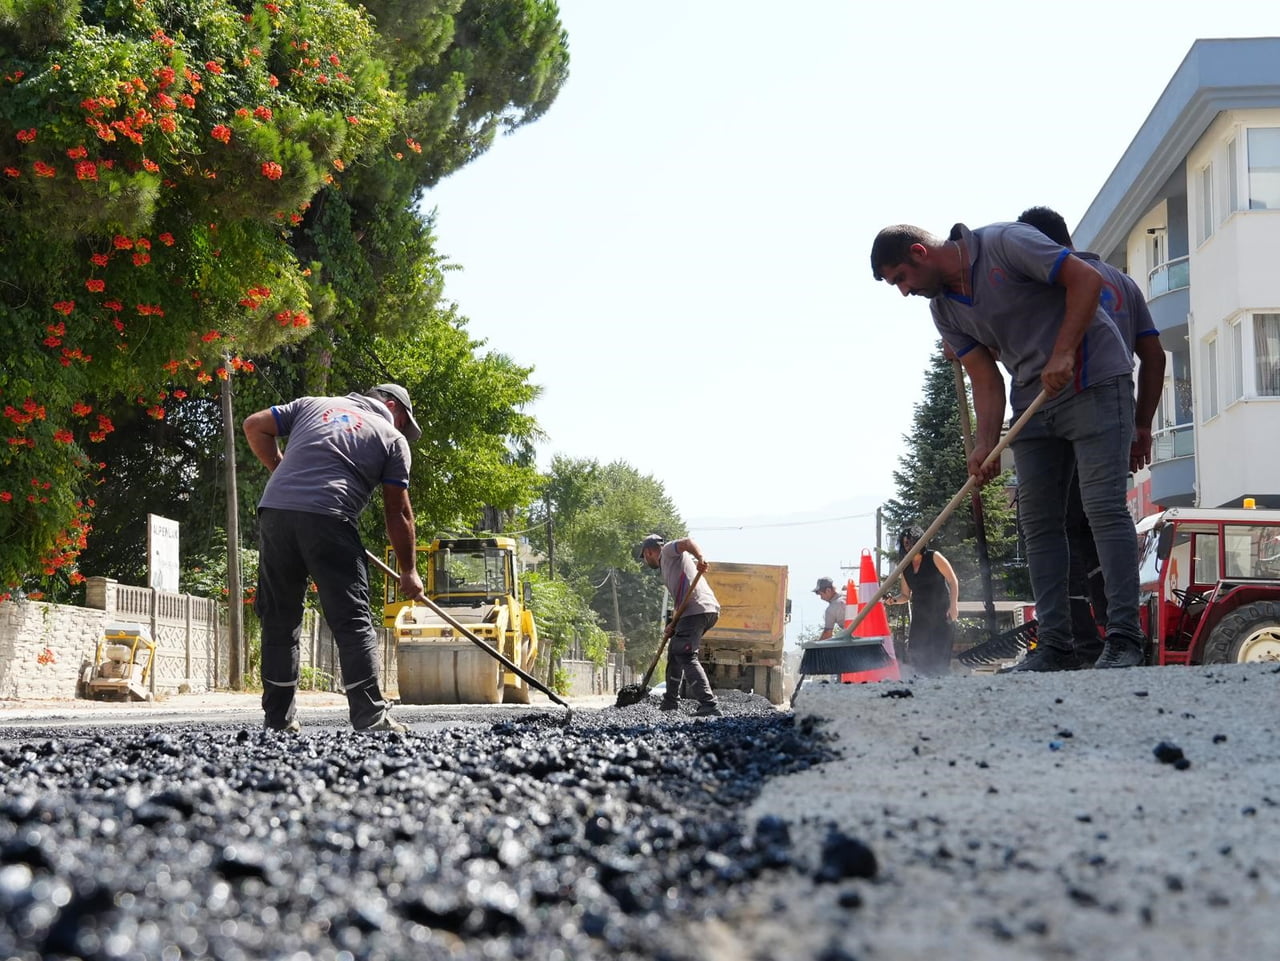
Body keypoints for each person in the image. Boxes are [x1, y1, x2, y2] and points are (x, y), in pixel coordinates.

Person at [870, 221, 1145, 670]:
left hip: (1094, 380)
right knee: (1037, 522)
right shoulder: (944, 310)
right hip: (1034, 402)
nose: (903, 291)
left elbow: (1086, 279)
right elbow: (984, 376)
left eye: (900, 278)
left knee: (1102, 509)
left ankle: (1124, 639)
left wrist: (1064, 352)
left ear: (920, 252)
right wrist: (985, 444)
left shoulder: (1005, 244)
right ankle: (1055, 645)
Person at [1014, 205, 1167, 669]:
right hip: (1112, 416)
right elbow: (1154, 357)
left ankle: (1083, 644)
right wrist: (1141, 426)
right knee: (1103, 524)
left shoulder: (1048, 281)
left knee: (1067, 532)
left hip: (1071, 413)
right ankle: (1115, 638)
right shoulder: (1122, 283)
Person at [243, 384, 427, 733]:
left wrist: (280, 469)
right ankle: (370, 716)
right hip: (331, 516)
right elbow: (398, 512)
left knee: (280, 617)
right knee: (352, 619)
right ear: (391, 406)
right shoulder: (391, 437)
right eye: (404, 420)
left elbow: (254, 424)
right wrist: (409, 571)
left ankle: (278, 720)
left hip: (276, 512)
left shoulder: (311, 404)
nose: (403, 428)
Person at [636, 534, 722, 717]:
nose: (645, 562)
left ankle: (709, 704)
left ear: (648, 552)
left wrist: (700, 558)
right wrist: (673, 625)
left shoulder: (667, 551)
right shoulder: (667, 569)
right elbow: (680, 599)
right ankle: (670, 702)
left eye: (644, 557)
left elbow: (687, 542)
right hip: (695, 611)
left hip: (698, 609)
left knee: (685, 652)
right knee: (675, 652)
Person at [885, 526, 960, 676]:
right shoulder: (905, 567)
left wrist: (953, 606)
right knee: (917, 652)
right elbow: (905, 595)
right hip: (920, 616)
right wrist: (893, 600)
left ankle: (941, 685)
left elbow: (953, 581)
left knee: (939, 654)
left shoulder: (934, 557)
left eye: (912, 542)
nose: (909, 546)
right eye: (906, 544)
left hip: (941, 613)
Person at [813, 576, 847, 641]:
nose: (821, 598)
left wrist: (816, 646)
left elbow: (827, 634)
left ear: (828, 590)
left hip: (856, 640)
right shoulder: (849, 593)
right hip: (870, 634)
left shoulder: (831, 609)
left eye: (821, 594)